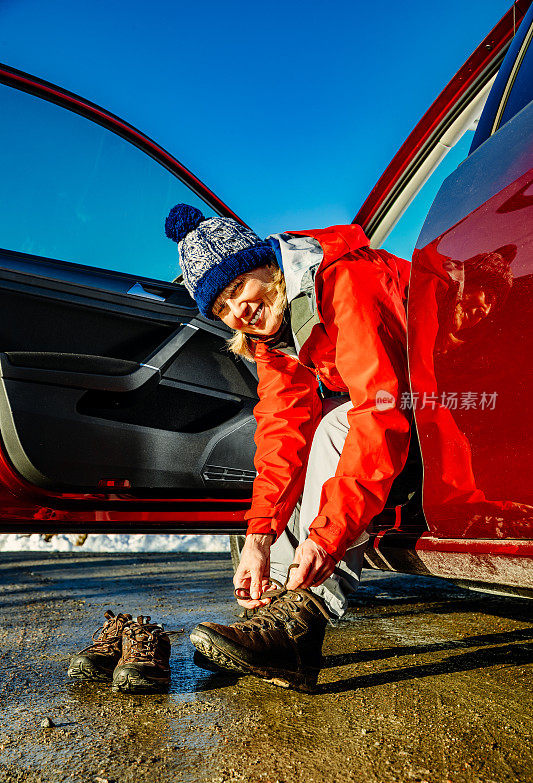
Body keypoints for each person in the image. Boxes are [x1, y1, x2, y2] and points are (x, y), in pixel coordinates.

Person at [164, 203, 412, 691]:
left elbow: (382, 408)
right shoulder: (275, 334)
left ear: (263, 263)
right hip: (401, 412)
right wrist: (259, 537)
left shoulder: (347, 281)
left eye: (237, 289)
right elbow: (281, 431)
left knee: (337, 427)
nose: (238, 311)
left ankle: (303, 622)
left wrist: (325, 537)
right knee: (309, 433)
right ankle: (274, 604)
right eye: (221, 309)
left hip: (454, 407)